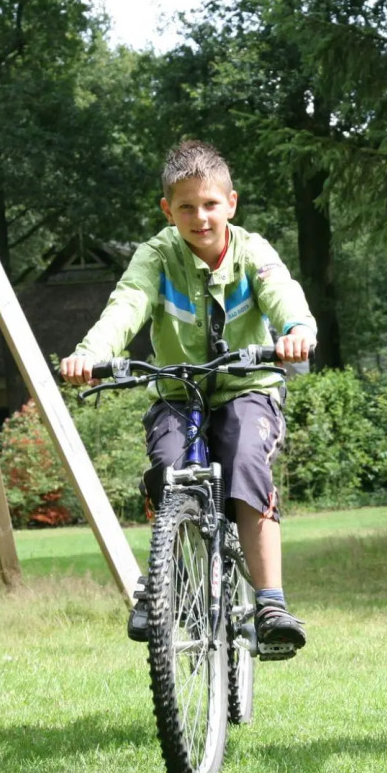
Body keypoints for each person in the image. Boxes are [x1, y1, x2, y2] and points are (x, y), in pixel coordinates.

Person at [61, 140, 315, 657]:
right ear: (167, 210)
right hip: (179, 392)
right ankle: (164, 587)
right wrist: (90, 353)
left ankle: (269, 603)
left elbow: (281, 291)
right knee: (168, 468)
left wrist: (295, 330)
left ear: (231, 204)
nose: (200, 217)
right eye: (186, 207)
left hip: (248, 388)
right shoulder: (156, 256)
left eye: (210, 204)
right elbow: (126, 304)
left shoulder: (253, 251)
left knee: (246, 461)